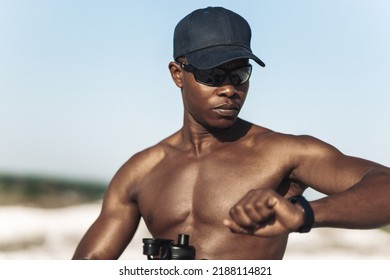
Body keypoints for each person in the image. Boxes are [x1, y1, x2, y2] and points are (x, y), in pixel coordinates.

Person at [72, 6, 390, 260]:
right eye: (213, 74)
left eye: (239, 73)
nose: (229, 89)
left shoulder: (285, 153)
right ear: (177, 74)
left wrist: (303, 214)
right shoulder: (140, 171)